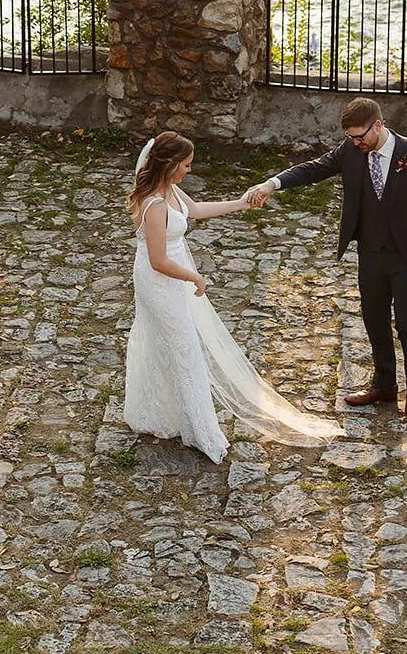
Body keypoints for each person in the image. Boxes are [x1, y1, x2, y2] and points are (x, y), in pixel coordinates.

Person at [125, 131, 344, 462]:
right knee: (185, 348)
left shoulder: (170, 189)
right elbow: (158, 260)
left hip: (173, 275)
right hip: (159, 282)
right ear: (170, 164)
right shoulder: (154, 204)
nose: (189, 170)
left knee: (174, 345)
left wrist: (242, 203)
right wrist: (194, 276)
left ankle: (164, 413)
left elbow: (196, 209)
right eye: (186, 165)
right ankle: (199, 430)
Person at [245, 98, 407, 422]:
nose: (355, 143)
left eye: (359, 136)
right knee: (374, 319)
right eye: (350, 137)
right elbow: (313, 169)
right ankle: (384, 384)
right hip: (370, 253)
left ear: (378, 125)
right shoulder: (351, 151)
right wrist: (272, 183)